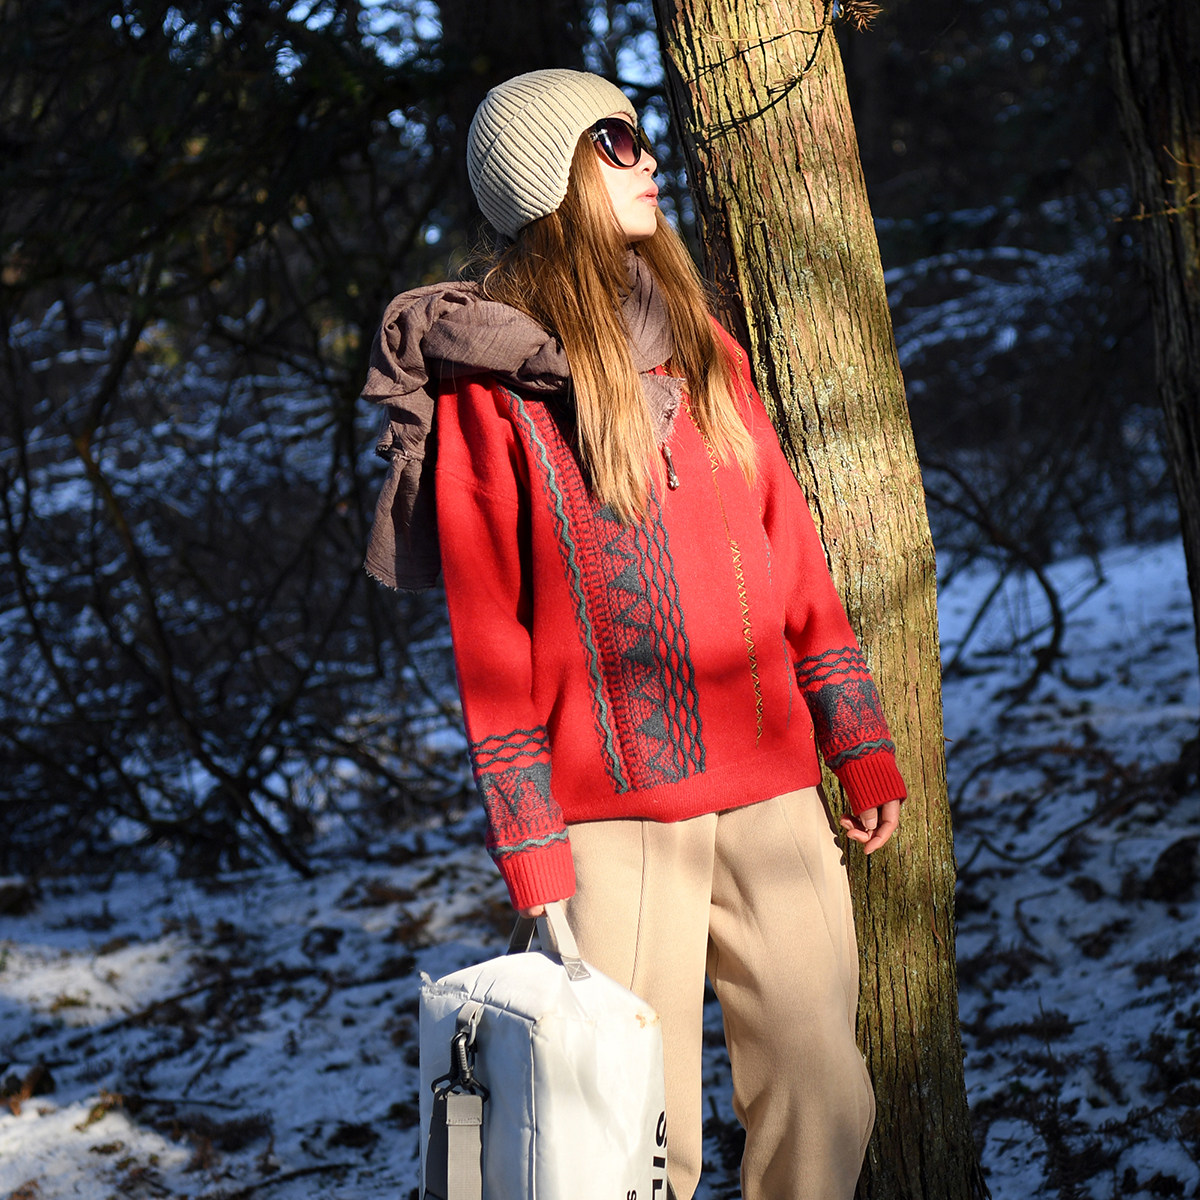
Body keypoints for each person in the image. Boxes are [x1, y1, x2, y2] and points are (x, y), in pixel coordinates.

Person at [363, 68, 905, 1200]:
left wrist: (856, 739)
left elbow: (790, 551)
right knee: (630, 1141)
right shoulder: (489, 400)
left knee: (825, 1087)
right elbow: (490, 640)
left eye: (641, 134)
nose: (648, 156)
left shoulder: (701, 347)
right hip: (609, 820)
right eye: (614, 139)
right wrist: (530, 844)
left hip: (771, 786)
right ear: (549, 180)